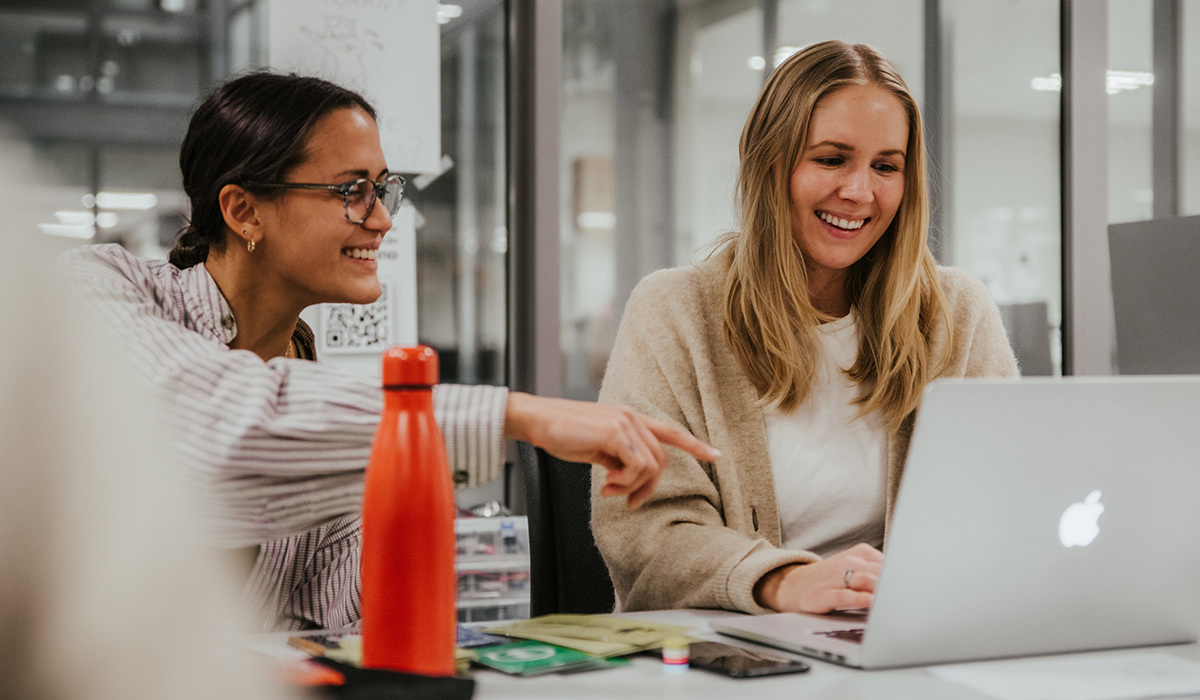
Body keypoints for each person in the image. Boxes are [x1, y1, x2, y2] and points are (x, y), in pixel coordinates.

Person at [61, 72, 718, 632]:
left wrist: (418, 502)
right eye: (351, 191)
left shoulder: (324, 405)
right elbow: (216, 429)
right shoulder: (97, 292)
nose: (381, 218)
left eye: (385, 188)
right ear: (244, 211)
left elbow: (340, 625)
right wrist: (516, 417)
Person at [590, 40, 1018, 616]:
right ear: (771, 162)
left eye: (886, 166)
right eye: (831, 158)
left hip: (901, 639)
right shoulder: (675, 311)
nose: (859, 192)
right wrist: (785, 582)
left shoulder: (956, 314)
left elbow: (1003, 503)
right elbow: (646, 535)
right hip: (726, 652)